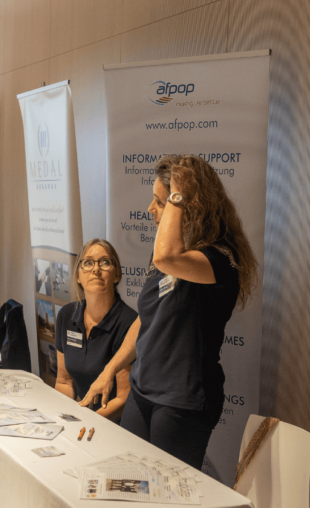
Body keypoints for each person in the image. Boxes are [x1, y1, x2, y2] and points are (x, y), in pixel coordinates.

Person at [79, 154, 257, 470]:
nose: (151, 209)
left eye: (161, 202)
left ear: (189, 206)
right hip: (142, 390)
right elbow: (147, 321)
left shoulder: (218, 259)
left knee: (167, 490)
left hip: (182, 401)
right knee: (131, 479)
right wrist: (109, 370)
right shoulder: (168, 253)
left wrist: (178, 194)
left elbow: (167, 258)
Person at [54, 239, 137, 422]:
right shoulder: (66, 315)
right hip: (80, 418)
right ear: (78, 275)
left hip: (114, 424)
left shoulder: (129, 323)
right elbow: (64, 381)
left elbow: (123, 399)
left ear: (117, 275)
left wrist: (86, 422)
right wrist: (65, 418)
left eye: (105, 262)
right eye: (88, 263)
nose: (96, 269)